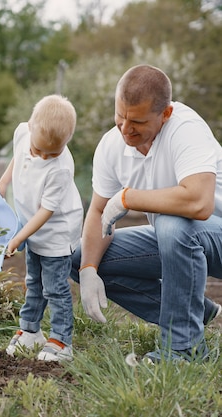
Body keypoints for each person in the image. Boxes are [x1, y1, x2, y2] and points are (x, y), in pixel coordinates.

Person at [70, 64, 222, 363]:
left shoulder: (185, 129)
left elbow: (198, 203)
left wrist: (129, 197)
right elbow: (98, 210)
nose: (126, 129)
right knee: (80, 255)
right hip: (179, 240)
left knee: (171, 222)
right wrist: (87, 269)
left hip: (212, 235)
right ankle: (195, 314)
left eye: (137, 121)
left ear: (165, 114)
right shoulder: (112, 146)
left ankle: (182, 349)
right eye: (120, 117)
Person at [0, 94, 83, 362]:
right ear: (30, 127)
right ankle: (30, 331)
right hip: (31, 226)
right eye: (39, 149)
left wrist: (19, 236)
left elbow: (47, 211)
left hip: (56, 233)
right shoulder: (23, 133)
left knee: (54, 287)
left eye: (52, 153)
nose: (44, 156)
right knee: (34, 282)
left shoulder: (61, 168)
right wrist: (3, 182)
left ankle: (61, 341)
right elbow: (17, 157)